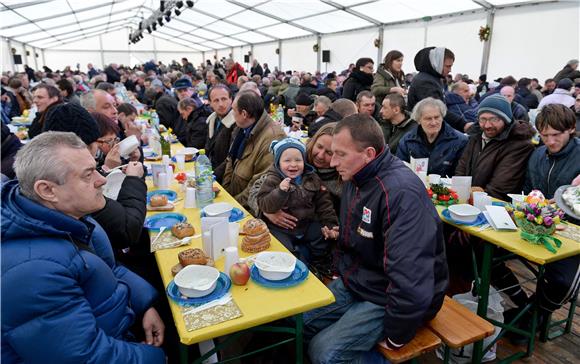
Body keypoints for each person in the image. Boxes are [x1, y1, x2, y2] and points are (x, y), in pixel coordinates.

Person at [1, 132, 165, 363]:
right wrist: (156, 357)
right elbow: (87, 357)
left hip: (119, 330)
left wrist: (144, 304)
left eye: (95, 168)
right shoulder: (31, 271)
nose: (102, 179)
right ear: (47, 190)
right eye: (88, 175)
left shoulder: (71, 217)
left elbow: (108, 269)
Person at [303, 114, 447, 363]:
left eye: (340, 154)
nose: (331, 161)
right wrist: (339, 271)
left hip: (390, 295)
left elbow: (411, 277)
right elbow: (351, 238)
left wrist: (396, 335)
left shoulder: (400, 193)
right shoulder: (355, 176)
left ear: (369, 154)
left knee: (324, 353)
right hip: (361, 279)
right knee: (300, 322)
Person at [256, 138, 338, 265]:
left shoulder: (312, 178)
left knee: (320, 235)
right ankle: (295, 263)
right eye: (287, 160)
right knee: (283, 248)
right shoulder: (273, 179)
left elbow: (324, 205)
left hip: (305, 225)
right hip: (280, 229)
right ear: (278, 163)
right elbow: (264, 203)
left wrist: (331, 225)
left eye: (298, 160)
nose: (293, 164)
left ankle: (319, 263)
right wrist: (280, 191)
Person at [455, 94, 535, 201]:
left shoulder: (519, 143)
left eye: (494, 119)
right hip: (470, 199)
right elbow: (462, 167)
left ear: (506, 119)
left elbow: (500, 188)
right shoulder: (476, 136)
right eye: (483, 119)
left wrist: (474, 196)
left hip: (495, 205)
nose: (487, 125)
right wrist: (460, 191)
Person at [222, 91, 285, 208]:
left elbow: (258, 186)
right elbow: (230, 160)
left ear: (244, 114)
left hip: (245, 208)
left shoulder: (273, 138)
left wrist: (231, 205)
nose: (232, 113)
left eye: (234, 110)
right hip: (233, 196)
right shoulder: (242, 128)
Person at [397, 97, 468, 178]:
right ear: (418, 120)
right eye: (428, 119)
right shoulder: (407, 140)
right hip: (415, 187)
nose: (433, 122)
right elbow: (400, 170)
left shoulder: (460, 141)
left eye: (437, 117)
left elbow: (460, 175)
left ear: (442, 117)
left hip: (447, 189)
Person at [407, 47, 470, 133]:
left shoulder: (433, 78)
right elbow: (437, 110)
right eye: (447, 66)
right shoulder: (426, 82)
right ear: (437, 63)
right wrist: (463, 125)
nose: (450, 70)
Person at [206, 84, 235, 182]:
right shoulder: (211, 120)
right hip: (211, 172)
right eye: (216, 100)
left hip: (225, 178)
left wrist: (212, 176)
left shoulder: (237, 123)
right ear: (210, 103)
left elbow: (231, 158)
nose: (221, 104)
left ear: (231, 100)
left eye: (224, 99)